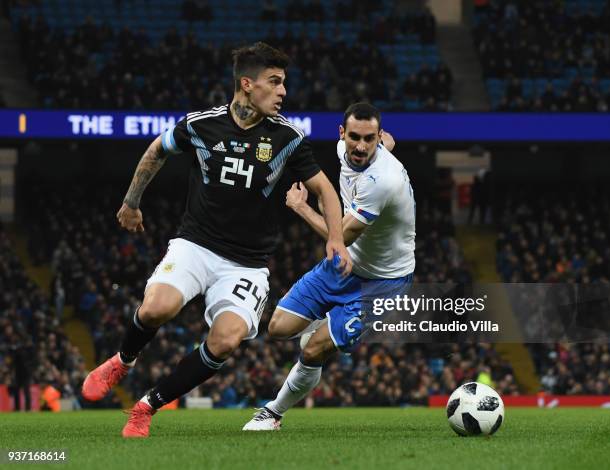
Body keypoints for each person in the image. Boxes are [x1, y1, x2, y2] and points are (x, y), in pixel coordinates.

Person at [80, 42, 352, 438]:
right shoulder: (200, 125)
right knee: (156, 308)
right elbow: (157, 150)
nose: (283, 92)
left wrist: (336, 240)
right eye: (274, 82)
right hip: (195, 244)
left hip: (247, 262)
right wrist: (131, 203)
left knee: (225, 341)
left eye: (283, 83)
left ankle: (145, 407)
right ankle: (123, 360)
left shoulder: (287, 137)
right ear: (247, 84)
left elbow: (326, 191)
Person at [242, 102, 416, 430]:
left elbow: (339, 237)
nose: (360, 146)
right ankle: (325, 327)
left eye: (369, 139)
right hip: (342, 267)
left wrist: (300, 207)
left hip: (381, 281)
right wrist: (385, 147)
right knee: (277, 329)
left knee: (312, 352)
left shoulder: (383, 181)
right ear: (342, 134)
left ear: (378, 137)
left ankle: (273, 413)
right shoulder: (345, 151)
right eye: (354, 137)